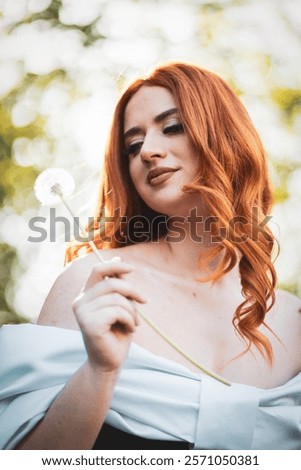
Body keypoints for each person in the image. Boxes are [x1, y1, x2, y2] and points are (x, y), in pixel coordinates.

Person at [0, 62, 300, 450]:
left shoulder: (291, 318)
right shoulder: (98, 284)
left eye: (172, 126)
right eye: (133, 145)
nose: (148, 152)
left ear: (226, 135)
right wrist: (100, 370)